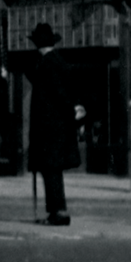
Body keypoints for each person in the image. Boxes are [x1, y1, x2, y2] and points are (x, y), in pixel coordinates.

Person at [26, 23, 84, 226]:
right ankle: (56, 212)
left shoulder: (47, 64)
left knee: (50, 172)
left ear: (38, 44)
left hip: (49, 131)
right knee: (52, 172)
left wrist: (70, 110)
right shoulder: (55, 62)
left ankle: (58, 213)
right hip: (56, 130)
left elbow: (59, 95)